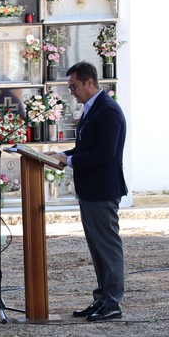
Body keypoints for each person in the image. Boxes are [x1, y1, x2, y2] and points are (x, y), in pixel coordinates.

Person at [49, 61, 127, 322]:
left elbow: (106, 153)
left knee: (108, 247)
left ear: (89, 82)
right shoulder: (92, 109)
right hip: (90, 189)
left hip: (103, 189)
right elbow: (84, 148)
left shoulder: (108, 111)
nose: (72, 91)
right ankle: (102, 299)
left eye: (74, 86)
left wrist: (69, 160)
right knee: (97, 249)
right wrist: (61, 155)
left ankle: (113, 302)